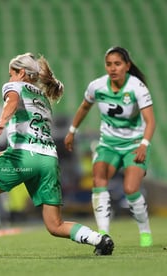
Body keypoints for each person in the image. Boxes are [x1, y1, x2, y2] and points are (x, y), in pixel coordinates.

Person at [0, 53, 114, 256]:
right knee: (55, 225)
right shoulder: (43, 99)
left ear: (21, 72)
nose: (9, 78)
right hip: (47, 161)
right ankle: (99, 239)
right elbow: (30, 145)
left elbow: (11, 101)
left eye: (11, 73)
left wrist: (1, 122)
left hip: (24, 158)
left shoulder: (14, 86)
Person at [64, 46, 155, 247]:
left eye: (118, 64)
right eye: (109, 64)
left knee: (131, 189)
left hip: (133, 144)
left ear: (127, 66)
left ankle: (145, 230)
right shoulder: (97, 86)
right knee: (98, 180)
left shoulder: (137, 87)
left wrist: (143, 145)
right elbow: (84, 107)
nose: (113, 68)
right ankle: (103, 233)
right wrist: (72, 130)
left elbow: (150, 121)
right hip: (108, 144)